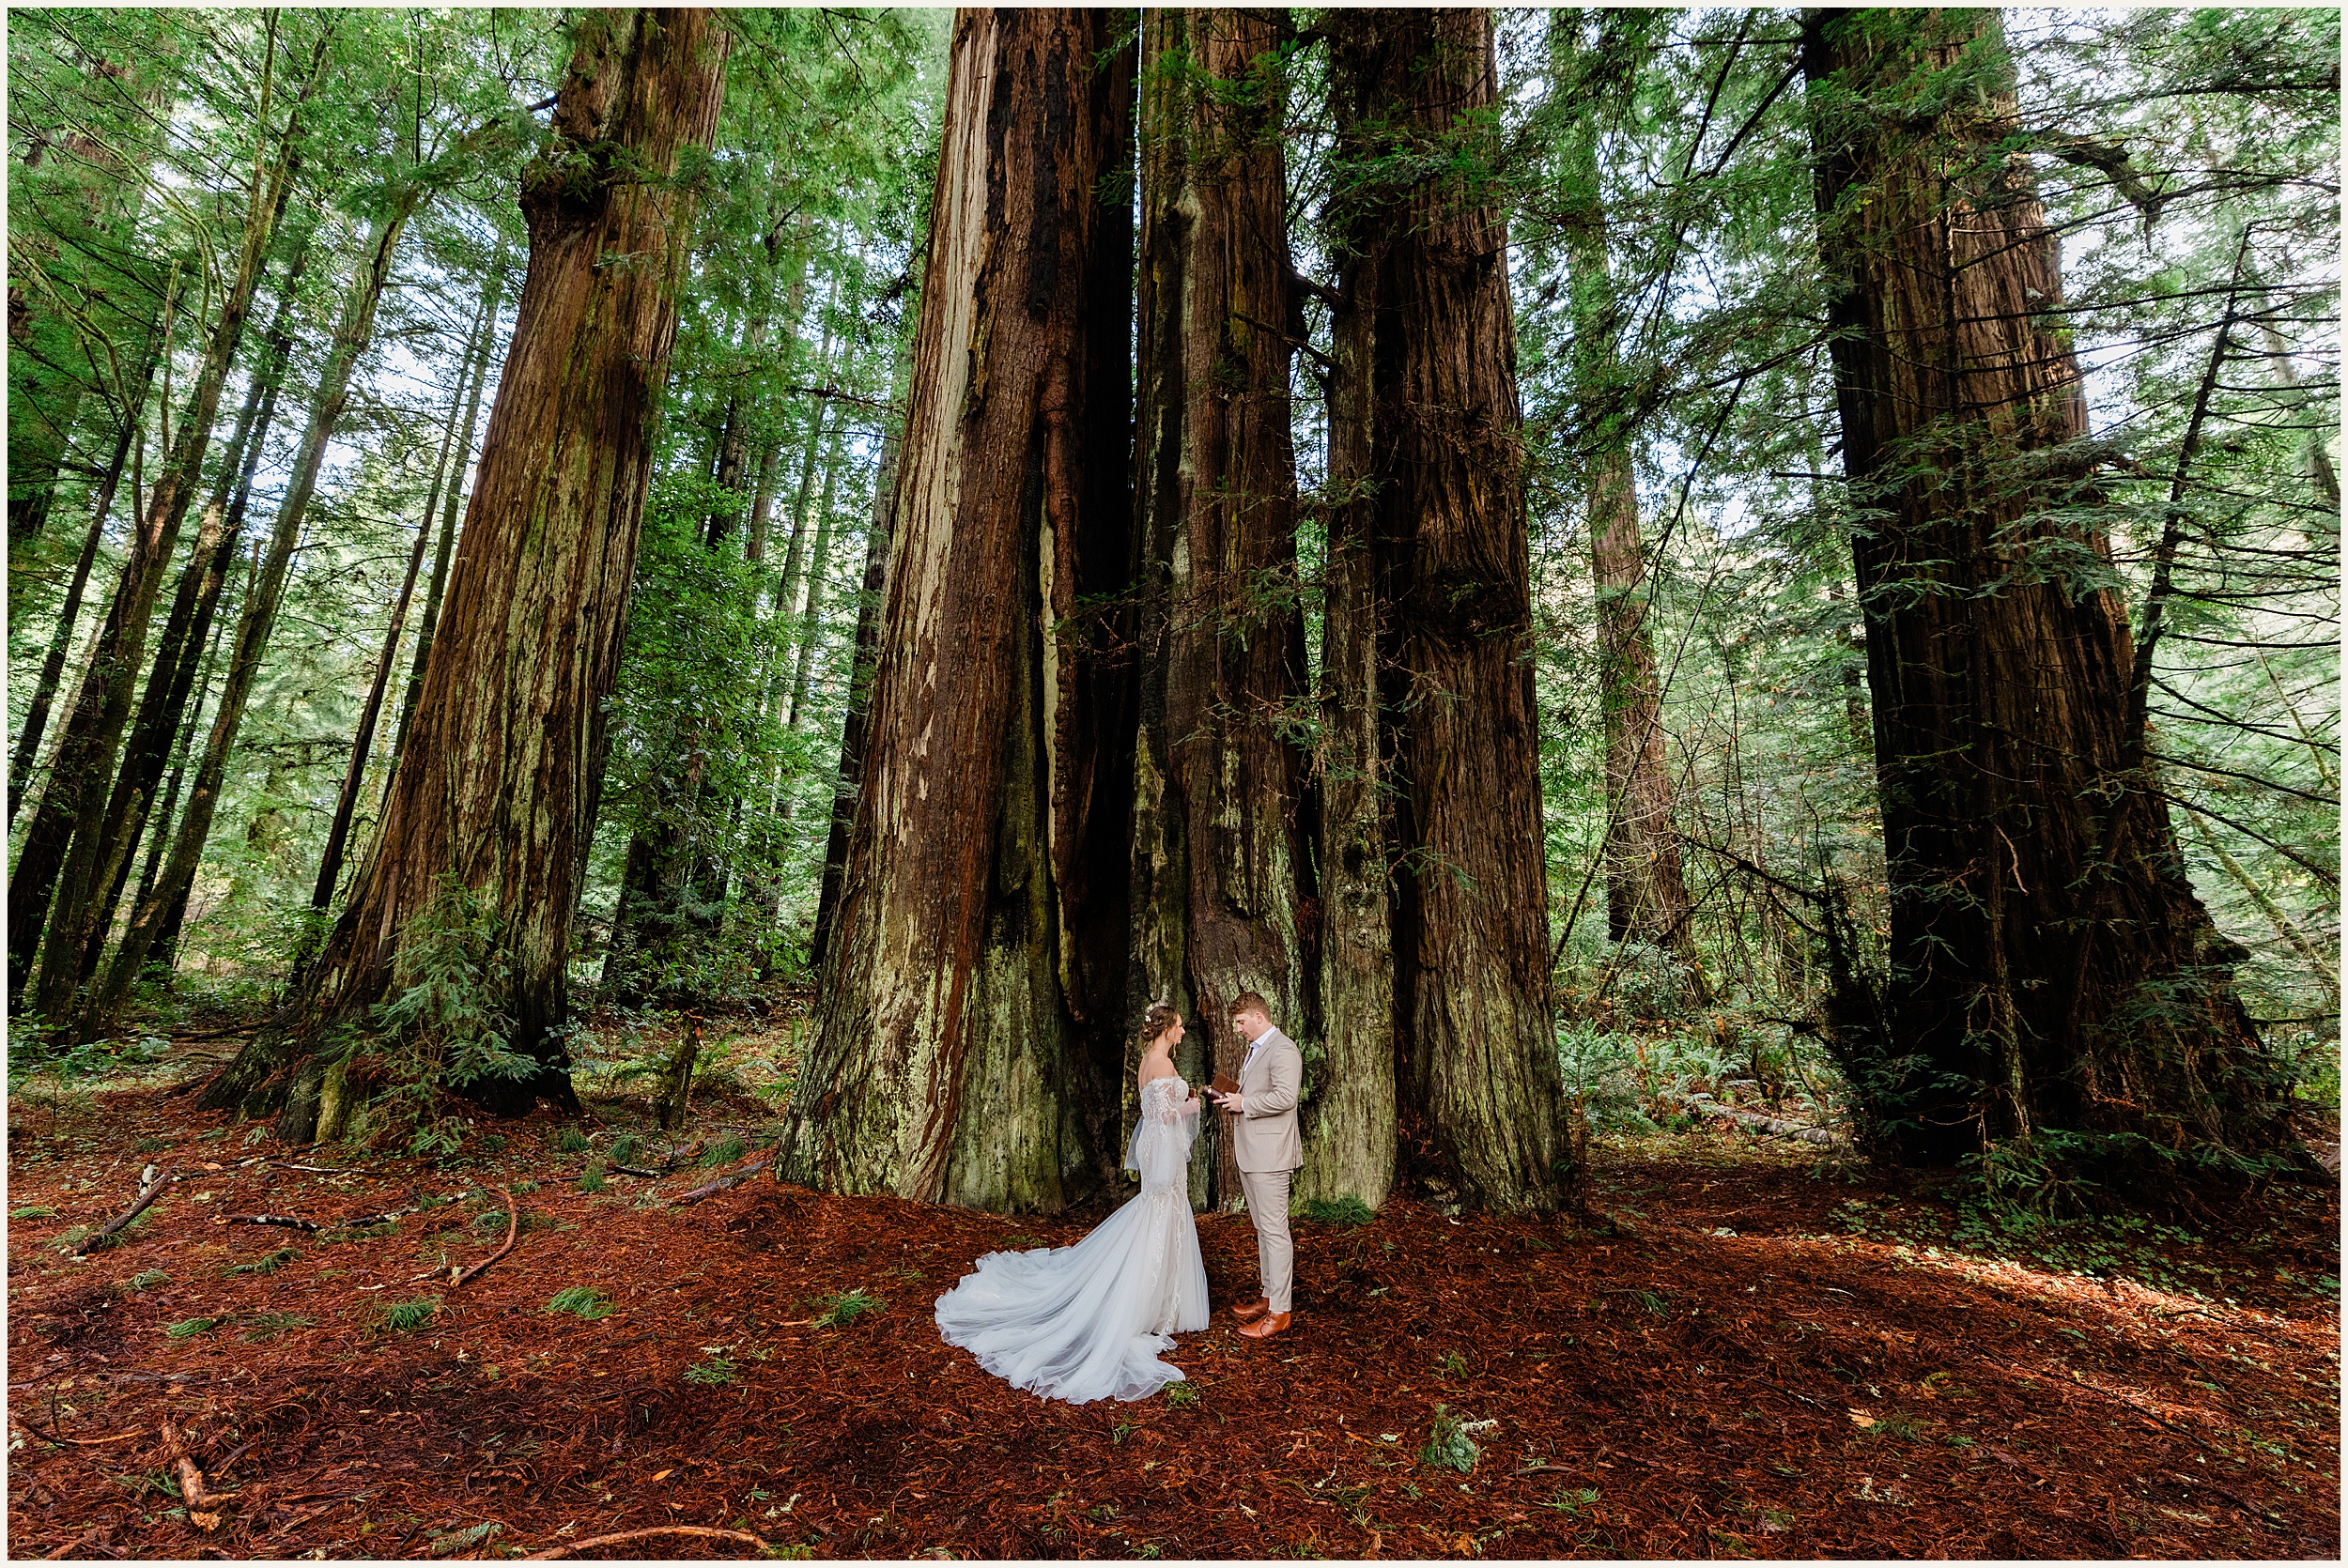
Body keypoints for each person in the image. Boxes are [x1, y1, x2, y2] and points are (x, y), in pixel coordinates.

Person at [933, 1002, 1208, 1404]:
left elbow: (1151, 1115)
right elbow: (1166, 1117)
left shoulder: (1146, 1062)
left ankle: (1161, 1300)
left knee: (1155, 1214)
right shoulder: (1163, 1066)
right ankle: (1148, 1305)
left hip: (1154, 1150)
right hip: (1162, 1153)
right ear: (1167, 1030)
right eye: (1180, 1027)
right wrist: (1194, 1104)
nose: (1183, 1032)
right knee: (1160, 1215)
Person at [1207, 992, 1301, 1340]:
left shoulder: (1283, 1050)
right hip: (1253, 1152)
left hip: (1272, 1154)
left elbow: (1286, 1097)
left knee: (1275, 1231)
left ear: (1259, 1017)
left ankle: (1281, 1312)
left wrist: (1244, 1102)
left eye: (1241, 1022)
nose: (1238, 1029)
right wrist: (1234, 1099)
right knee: (1263, 1229)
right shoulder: (1255, 1050)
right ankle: (1268, 1295)